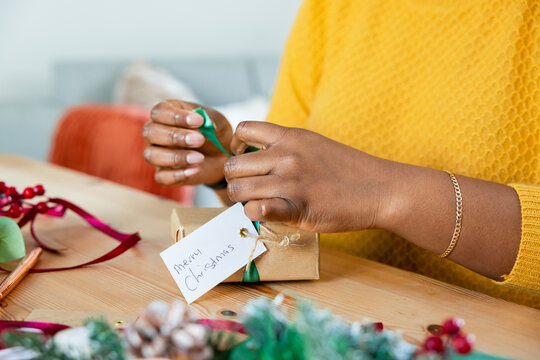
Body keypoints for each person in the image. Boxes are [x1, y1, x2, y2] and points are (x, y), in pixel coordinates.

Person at [142, 0, 539, 308]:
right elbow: (296, 199)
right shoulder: (331, 8)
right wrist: (230, 173)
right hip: (318, 320)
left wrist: (381, 193)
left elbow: (348, 186)